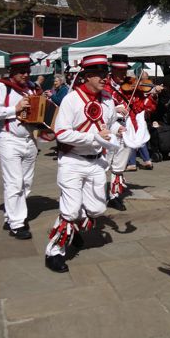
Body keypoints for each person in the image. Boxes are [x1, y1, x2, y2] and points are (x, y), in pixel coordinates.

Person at [44, 54, 122, 273]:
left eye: (105, 73)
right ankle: (54, 252)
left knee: (97, 209)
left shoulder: (107, 98)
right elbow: (61, 133)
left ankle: (73, 230)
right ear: (86, 76)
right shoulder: (72, 99)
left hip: (97, 162)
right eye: (98, 74)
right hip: (73, 161)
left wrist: (119, 129)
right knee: (70, 210)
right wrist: (93, 138)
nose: (104, 78)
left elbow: (111, 123)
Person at [0, 53, 39, 240]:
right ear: (12, 71)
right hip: (9, 139)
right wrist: (14, 109)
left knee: (26, 183)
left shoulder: (33, 88)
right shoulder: (0, 86)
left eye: (27, 71)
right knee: (14, 182)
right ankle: (17, 224)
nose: (25, 75)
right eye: (21, 71)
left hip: (30, 139)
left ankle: (11, 215)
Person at [103, 54, 160, 211]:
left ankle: (114, 196)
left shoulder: (132, 87)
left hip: (126, 129)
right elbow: (97, 108)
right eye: (120, 71)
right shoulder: (104, 86)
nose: (123, 75)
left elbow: (143, 107)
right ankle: (96, 195)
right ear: (113, 70)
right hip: (107, 130)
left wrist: (152, 96)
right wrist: (115, 109)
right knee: (103, 164)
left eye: (125, 71)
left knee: (119, 166)